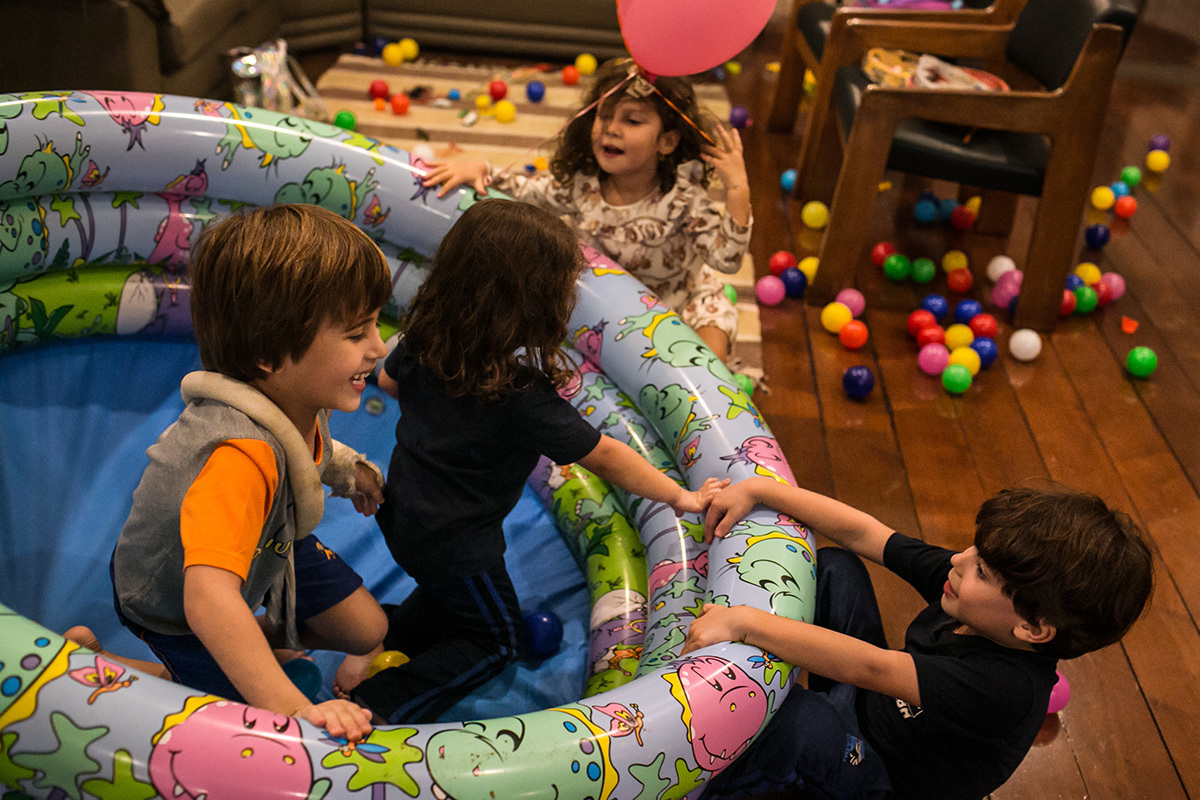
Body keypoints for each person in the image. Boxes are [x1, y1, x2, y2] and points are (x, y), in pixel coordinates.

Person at [337, 198, 728, 724]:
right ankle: (378, 703)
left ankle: (379, 637)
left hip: (401, 511)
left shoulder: (426, 339)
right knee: (496, 641)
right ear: (536, 304)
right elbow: (607, 456)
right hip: (457, 546)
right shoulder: (519, 395)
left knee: (451, 599)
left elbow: (388, 380)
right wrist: (682, 495)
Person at [91, 204, 393, 743]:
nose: (378, 347)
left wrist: (350, 474)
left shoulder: (291, 396)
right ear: (268, 354)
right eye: (356, 334)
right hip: (177, 598)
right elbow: (207, 600)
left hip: (264, 536)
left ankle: (255, 642)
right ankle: (108, 668)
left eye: (374, 325)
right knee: (228, 712)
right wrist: (295, 708)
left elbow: (303, 448)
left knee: (367, 628)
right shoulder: (239, 458)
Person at [682, 478, 1154, 800]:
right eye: (975, 552)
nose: (959, 560)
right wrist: (761, 489)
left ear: (1032, 628)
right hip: (867, 702)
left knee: (800, 724)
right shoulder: (973, 591)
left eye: (982, 570)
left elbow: (872, 667)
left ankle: (699, 786)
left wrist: (745, 622)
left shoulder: (1008, 689)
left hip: (881, 777)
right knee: (837, 569)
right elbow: (867, 533)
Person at [419, 58, 752, 362]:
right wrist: (483, 168)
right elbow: (526, 192)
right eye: (604, 115)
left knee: (711, 351)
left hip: (675, 304)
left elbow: (726, 260)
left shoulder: (684, 198)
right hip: (600, 303)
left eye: (632, 120)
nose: (611, 128)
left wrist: (738, 189)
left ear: (666, 141)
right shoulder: (583, 185)